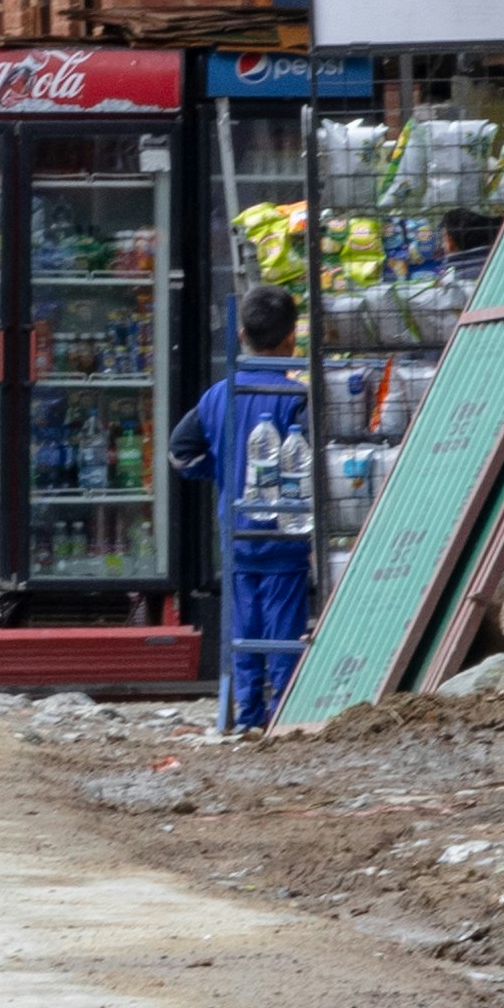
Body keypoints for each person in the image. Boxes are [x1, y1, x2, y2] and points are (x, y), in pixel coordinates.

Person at [172, 281, 317, 730]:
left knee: (245, 629)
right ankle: (281, 719)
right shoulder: (297, 396)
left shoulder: (218, 395)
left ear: (241, 336)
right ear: (293, 336)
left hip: (236, 536)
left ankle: (245, 713)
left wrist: (221, 470)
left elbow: (181, 453)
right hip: (285, 540)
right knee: (283, 630)